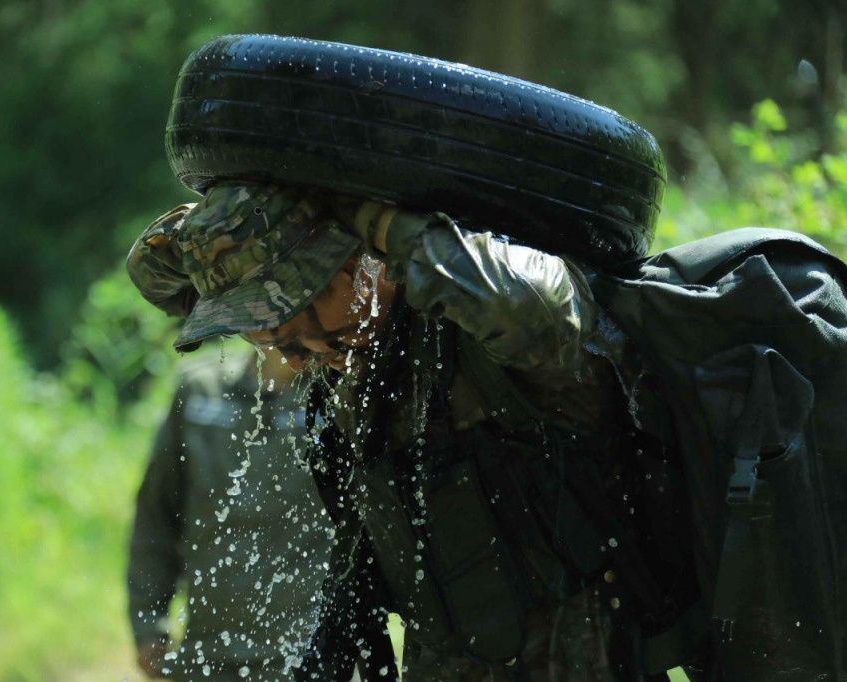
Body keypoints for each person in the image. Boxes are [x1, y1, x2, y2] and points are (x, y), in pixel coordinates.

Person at [126, 184, 707, 681]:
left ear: (359, 263)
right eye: (266, 329)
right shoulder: (361, 363)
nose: (294, 347)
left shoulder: (490, 330)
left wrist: (371, 217)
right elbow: (161, 281)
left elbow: (539, 305)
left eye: (303, 307)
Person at [127, 344, 336, 681]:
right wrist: (149, 625)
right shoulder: (200, 392)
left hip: (316, 657)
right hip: (209, 656)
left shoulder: (343, 394)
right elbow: (156, 518)